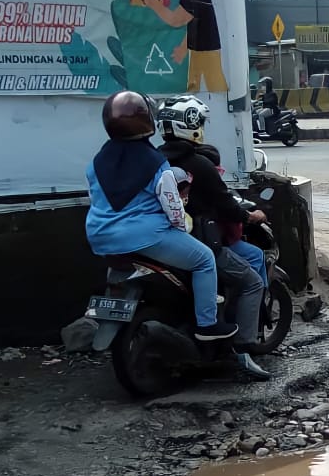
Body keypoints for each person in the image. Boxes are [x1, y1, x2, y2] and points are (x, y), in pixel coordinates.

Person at [84, 91, 237, 342]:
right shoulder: (155, 163)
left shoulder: (97, 161)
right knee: (204, 259)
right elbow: (173, 208)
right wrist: (181, 228)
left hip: (100, 237)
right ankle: (207, 325)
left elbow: (95, 198)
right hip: (144, 237)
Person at [157, 95, 272, 374]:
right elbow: (226, 206)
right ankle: (242, 350)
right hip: (201, 242)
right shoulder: (200, 165)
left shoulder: (155, 161)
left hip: (162, 240)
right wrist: (250, 217)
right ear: (192, 125)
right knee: (253, 283)